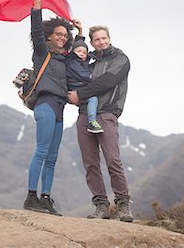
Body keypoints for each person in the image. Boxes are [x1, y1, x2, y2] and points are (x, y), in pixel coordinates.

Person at [67, 25, 133, 222]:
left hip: (107, 114)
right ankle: (101, 206)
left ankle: (123, 205)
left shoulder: (120, 59)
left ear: (109, 38)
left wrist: (79, 94)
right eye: (97, 39)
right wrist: (77, 34)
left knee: (113, 160)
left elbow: (106, 82)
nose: (101, 42)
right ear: (92, 42)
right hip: (84, 114)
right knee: (90, 163)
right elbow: (70, 64)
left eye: (104, 38)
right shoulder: (89, 61)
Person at [23, 0, 74, 216]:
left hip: (60, 109)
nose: (62, 37)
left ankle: (45, 198)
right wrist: (37, 6)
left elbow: (80, 57)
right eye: (58, 34)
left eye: (65, 35)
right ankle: (31, 197)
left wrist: (80, 34)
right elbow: (36, 31)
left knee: (52, 157)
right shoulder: (42, 52)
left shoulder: (65, 59)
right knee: (42, 151)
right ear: (50, 36)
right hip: (45, 105)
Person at [66, 39, 104, 134]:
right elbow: (83, 75)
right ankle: (92, 121)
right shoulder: (73, 62)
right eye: (79, 51)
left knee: (92, 99)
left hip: (79, 86)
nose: (82, 54)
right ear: (73, 52)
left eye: (84, 52)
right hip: (75, 87)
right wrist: (92, 77)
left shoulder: (82, 63)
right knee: (93, 98)